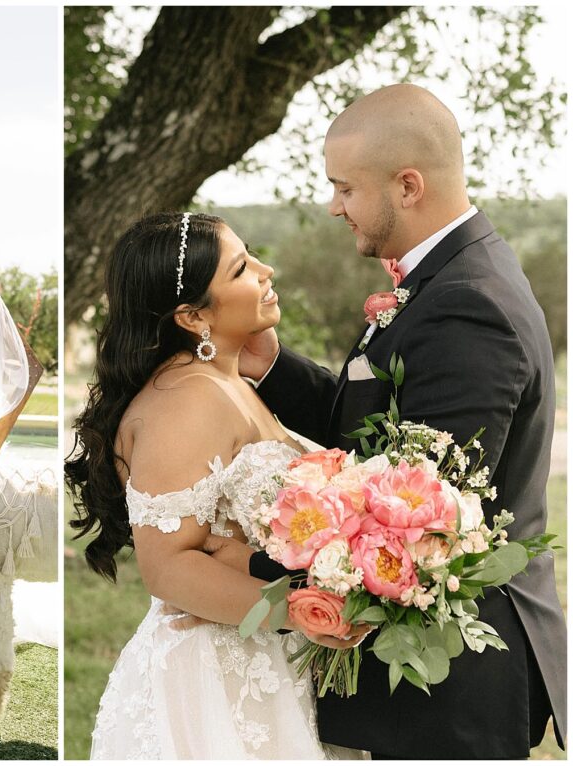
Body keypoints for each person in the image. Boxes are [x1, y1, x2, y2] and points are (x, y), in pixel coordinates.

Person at [238, 84, 566, 758]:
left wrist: (229, 564)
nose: (334, 207)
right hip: (425, 675)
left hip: (449, 686)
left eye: (345, 188)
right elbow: (380, 439)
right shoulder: (447, 280)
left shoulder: (468, 305)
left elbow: (414, 517)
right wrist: (271, 366)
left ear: (408, 186)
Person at [66, 212, 367, 759]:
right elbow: (169, 566)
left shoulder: (233, 383)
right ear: (192, 314)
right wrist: (299, 607)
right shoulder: (187, 399)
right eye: (242, 269)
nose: (266, 269)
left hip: (266, 661)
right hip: (216, 680)